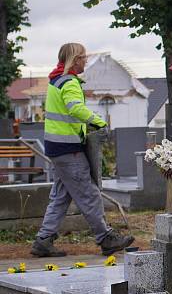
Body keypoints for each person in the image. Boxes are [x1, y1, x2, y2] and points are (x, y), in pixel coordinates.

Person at [32, 43, 134, 257]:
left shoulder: (56, 80)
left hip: (58, 147)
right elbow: (75, 108)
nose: (85, 61)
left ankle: (44, 240)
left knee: (61, 196)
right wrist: (99, 122)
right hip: (69, 149)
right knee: (89, 194)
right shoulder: (69, 82)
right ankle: (106, 238)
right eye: (83, 57)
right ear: (74, 59)